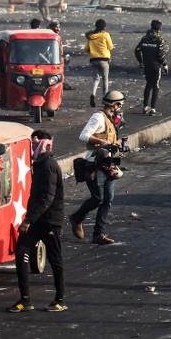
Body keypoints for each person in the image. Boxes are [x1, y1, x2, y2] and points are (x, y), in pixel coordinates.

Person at [8, 130, 66, 313]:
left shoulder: (48, 165)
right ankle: (25, 299)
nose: (32, 148)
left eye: (34, 144)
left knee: (55, 260)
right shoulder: (39, 164)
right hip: (37, 220)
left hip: (49, 221)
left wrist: (28, 220)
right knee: (21, 252)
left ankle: (59, 300)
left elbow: (46, 199)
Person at [70, 90, 126, 246]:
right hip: (94, 163)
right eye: (119, 104)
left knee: (108, 200)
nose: (120, 107)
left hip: (109, 162)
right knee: (98, 198)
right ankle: (77, 218)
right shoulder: (98, 117)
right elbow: (83, 135)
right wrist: (102, 143)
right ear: (115, 105)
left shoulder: (113, 119)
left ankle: (98, 234)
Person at [135, 20, 169, 116]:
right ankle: (153, 109)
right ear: (159, 28)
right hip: (155, 66)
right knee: (156, 86)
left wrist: (141, 62)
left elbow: (137, 50)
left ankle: (145, 107)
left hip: (147, 65)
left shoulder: (145, 38)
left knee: (148, 85)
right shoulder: (159, 40)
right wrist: (165, 65)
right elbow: (160, 55)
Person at [85, 19, 114, 107]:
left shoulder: (91, 36)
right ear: (104, 27)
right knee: (105, 79)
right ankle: (105, 100)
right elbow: (111, 47)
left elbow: (86, 49)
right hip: (104, 60)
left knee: (96, 79)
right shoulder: (105, 35)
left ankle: (93, 94)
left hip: (94, 60)